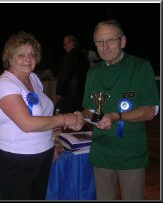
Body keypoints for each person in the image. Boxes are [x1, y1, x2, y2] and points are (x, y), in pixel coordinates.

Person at [0, 31, 84, 200]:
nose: (28, 59)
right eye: (22, 55)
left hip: (43, 154)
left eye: (32, 54)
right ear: (10, 58)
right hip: (17, 158)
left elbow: (45, 113)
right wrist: (65, 119)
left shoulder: (33, 78)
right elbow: (27, 124)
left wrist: (53, 140)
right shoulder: (5, 85)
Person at [81, 20, 159, 200]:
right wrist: (81, 116)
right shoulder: (93, 73)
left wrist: (117, 116)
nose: (104, 47)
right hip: (101, 153)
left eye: (110, 41)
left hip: (130, 154)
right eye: (99, 42)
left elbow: (150, 111)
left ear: (123, 41)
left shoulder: (141, 67)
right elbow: (90, 109)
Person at [55, 35, 90, 113]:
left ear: (72, 43)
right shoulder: (84, 57)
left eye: (65, 44)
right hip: (82, 94)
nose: (64, 47)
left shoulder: (69, 57)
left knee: (65, 116)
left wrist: (59, 92)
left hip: (69, 95)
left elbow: (64, 76)